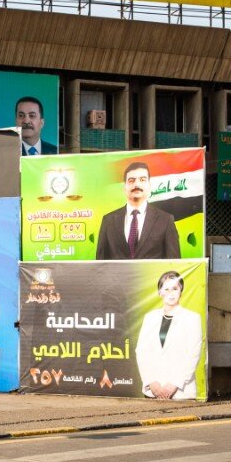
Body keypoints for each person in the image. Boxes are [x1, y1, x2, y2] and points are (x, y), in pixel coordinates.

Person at [135, 271, 203, 400]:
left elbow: (194, 355)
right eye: (166, 289)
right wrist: (151, 382)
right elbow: (141, 352)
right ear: (160, 292)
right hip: (153, 392)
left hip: (181, 393)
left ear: (181, 291)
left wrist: (174, 384)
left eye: (175, 289)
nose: (171, 293)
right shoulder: (150, 318)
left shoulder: (192, 318)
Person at [94, 161, 180, 260]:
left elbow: (174, 264)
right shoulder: (108, 221)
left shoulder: (165, 220)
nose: (137, 184)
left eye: (142, 180)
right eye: (131, 180)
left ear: (149, 185)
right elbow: (100, 264)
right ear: (124, 187)